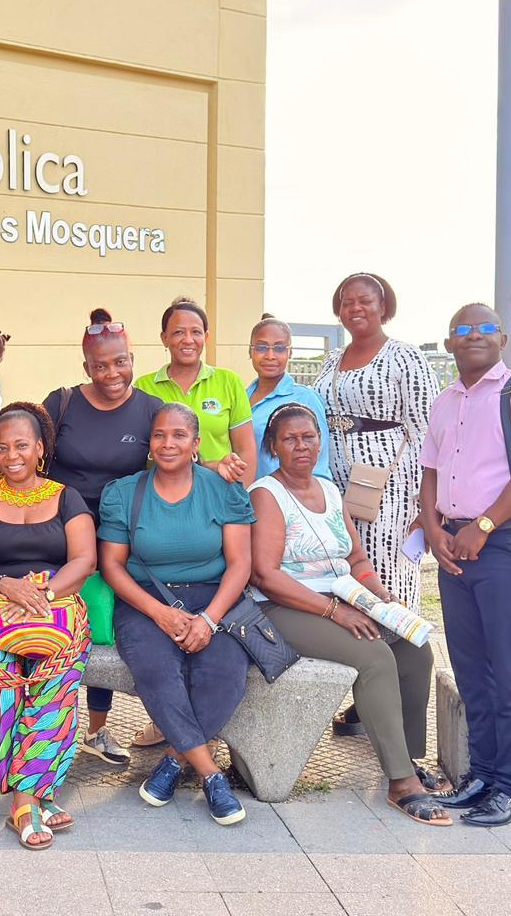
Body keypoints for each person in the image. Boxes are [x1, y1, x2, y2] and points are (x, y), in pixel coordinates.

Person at [248, 403, 449, 826]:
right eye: (290, 439)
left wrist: (381, 597)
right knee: (374, 656)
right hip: (286, 605)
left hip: (344, 595)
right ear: (273, 446)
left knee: (415, 647)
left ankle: (407, 758)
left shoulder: (330, 489)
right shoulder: (267, 494)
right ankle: (400, 783)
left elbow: (356, 557)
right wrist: (335, 611)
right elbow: (265, 575)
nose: (301, 446)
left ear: (320, 441)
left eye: (308, 437)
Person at [423, 304, 511, 827]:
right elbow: (431, 472)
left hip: (501, 543)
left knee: (509, 671)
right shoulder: (445, 401)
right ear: (449, 342)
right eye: (462, 329)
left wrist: (481, 527)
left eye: (484, 328)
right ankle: (481, 775)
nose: (473, 335)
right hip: (454, 547)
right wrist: (434, 528)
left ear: (501, 338)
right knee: (471, 668)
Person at [17, 309, 165, 766]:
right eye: (100, 366)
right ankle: (35, 723)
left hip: (118, 539)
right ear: (86, 367)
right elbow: (22, 447)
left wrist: (216, 471)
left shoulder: (149, 410)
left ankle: (96, 730)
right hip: (55, 535)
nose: (112, 373)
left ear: (132, 358)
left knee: (100, 626)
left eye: (120, 362)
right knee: (45, 621)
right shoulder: (62, 403)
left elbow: (173, 463)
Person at [97, 404, 254, 826]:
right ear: (149, 443)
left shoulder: (224, 490)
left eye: (179, 435)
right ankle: (211, 774)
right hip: (145, 600)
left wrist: (209, 619)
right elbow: (112, 565)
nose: (169, 444)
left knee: (225, 672)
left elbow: (240, 564)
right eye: (160, 435)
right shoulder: (124, 493)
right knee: (156, 669)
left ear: (196, 444)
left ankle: (173, 759)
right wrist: (159, 614)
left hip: (215, 599)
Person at [0, 403, 96, 849]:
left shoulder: (66, 496)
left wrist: (43, 595)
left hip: (54, 598)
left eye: (21, 445)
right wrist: (6, 586)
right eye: (2, 447)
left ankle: (25, 798)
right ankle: (37, 793)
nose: (11, 455)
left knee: (58, 671)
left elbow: (84, 560)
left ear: (39, 448)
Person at [312, 273, 437, 737]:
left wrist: (428, 504)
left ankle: (402, 721)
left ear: (385, 306)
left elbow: (428, 431)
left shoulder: (405, 356)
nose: (355, 308)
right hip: (337, 486)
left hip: (391, 487)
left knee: (388, 591)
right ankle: (369, 698)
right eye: (346, 302)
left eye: (366, 300)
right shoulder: (331, 359)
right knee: (347, 586)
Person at [135, 296, 254, 484]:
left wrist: (240, 498)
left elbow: (245, 449)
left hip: (219, 492)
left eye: (196, 332)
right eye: (178, 333)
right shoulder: (143, 387)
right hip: (160, 494)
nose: (188, 340)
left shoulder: (228, 381)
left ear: (206, 337)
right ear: (164, 338)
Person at [246, 315, 332, 481]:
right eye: (261, 347)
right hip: (243, 499)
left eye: (279, 348)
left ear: (290, 352)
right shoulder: (240, 398)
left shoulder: (305, 399)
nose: (270, 356)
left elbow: (319, 464)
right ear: (250, 351)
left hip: (286, 500)